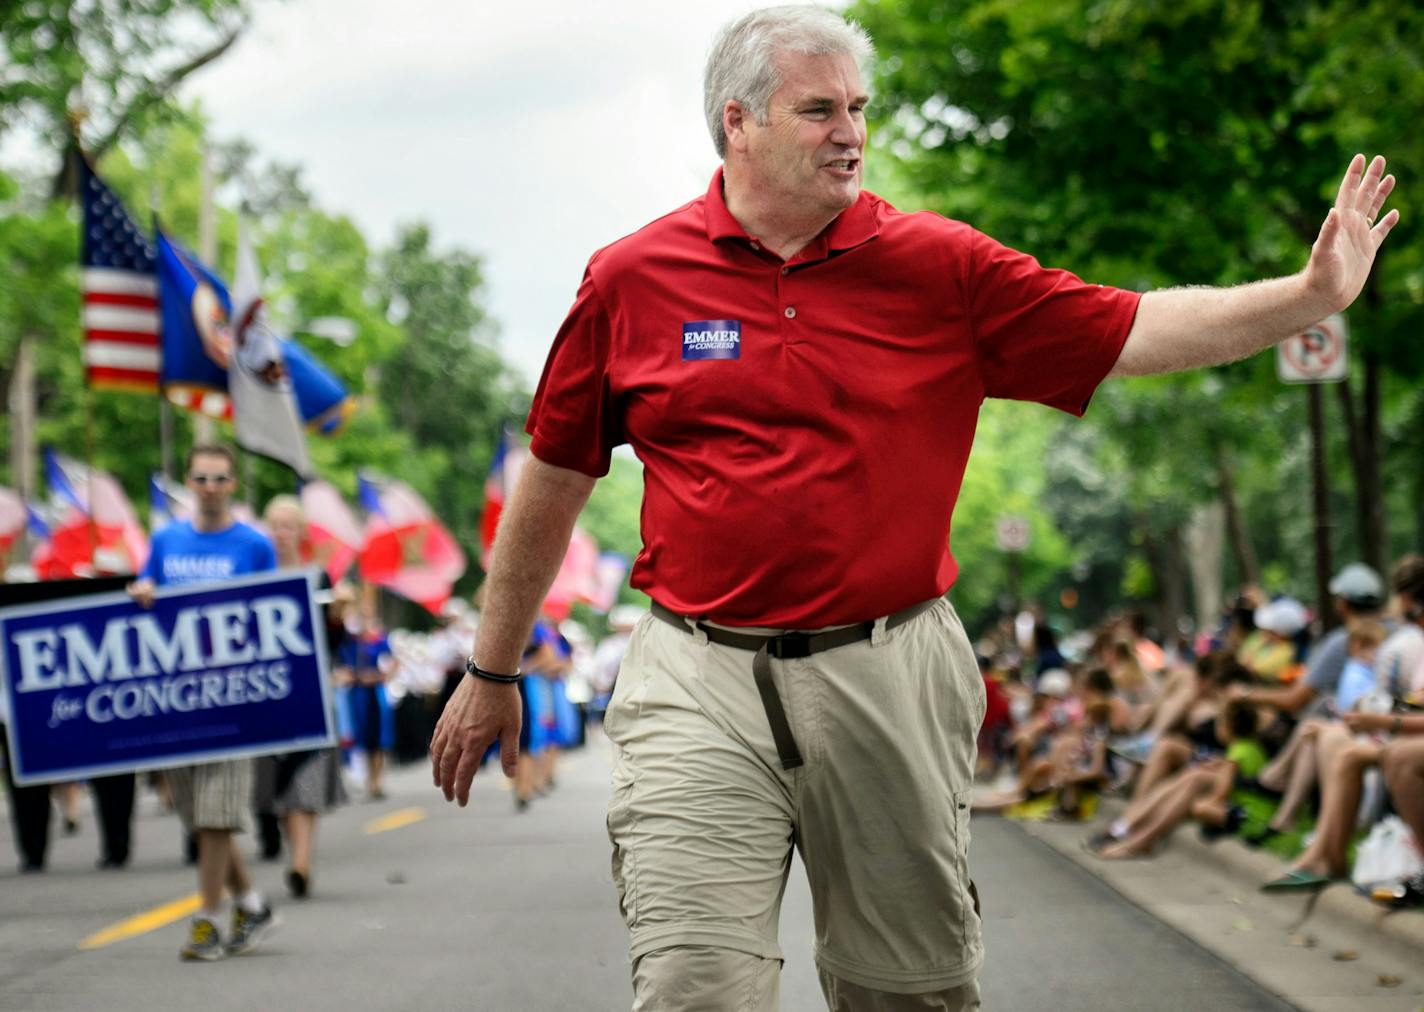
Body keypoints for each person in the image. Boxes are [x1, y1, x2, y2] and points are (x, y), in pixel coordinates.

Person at [428, 7, 1399, 1008]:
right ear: (737, 123)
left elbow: (1131, 328)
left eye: (856, 107)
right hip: (696, 674)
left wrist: (1305, 296)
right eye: (816, 110)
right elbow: (554, 473)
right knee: (691, 986)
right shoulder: (631, 278)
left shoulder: (942, 267)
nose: (848, 129)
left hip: (887, 667)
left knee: (908, 992)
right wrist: (492, 666)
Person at [127, 444, 279, 961]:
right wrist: (142, 592)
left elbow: (274, 614)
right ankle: (251, 903)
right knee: (201, 817)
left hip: (235, 701)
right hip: (180, 702)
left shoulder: (255, 546)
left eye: (219, 478)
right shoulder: (165, 540)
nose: (210, 486)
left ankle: (207, 919)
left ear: (232, 485)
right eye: (201, 478)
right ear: (189, 483)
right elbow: (147, 596)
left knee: (216, 815)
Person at [251, 495, 349, 899]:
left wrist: (339, 616)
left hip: (310, 693)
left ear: (300, 532)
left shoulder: (318, 578)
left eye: (288, 525)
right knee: (275, 782)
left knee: (306, 779)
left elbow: (332, 643)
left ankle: (301, 863)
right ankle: (289, 848)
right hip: (265, 696)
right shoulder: (250, 577)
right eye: (273, 525)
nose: (280, 533)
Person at [1095, 698, 1266, 859]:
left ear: (1226, 726)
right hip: (1246, 805)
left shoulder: (1236, 753)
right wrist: (1219, 765)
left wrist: (1216, 776)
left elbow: (1220, 794)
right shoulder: (1250, 748)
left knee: (1192, 778)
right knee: (1189, 776)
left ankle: (1135, 838)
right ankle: (1127, 828)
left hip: (1244, 813)